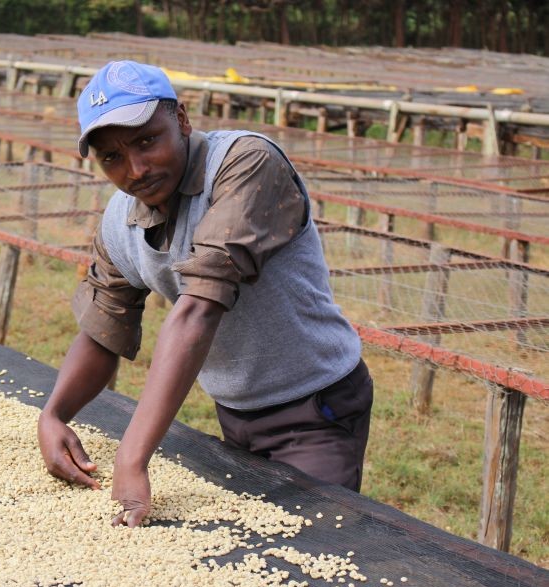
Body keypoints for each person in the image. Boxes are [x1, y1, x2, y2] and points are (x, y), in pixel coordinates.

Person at [37, 60, 373, 528]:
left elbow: (198, 308)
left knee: (309, 543)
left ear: (181, 120)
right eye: (111, 157)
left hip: (314, 406)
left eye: (146, 141)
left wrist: (132, 458)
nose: (135, 169)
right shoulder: (120, 219)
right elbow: (103, 326)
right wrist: (54, 415)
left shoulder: (245, 165)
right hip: (236, 411)